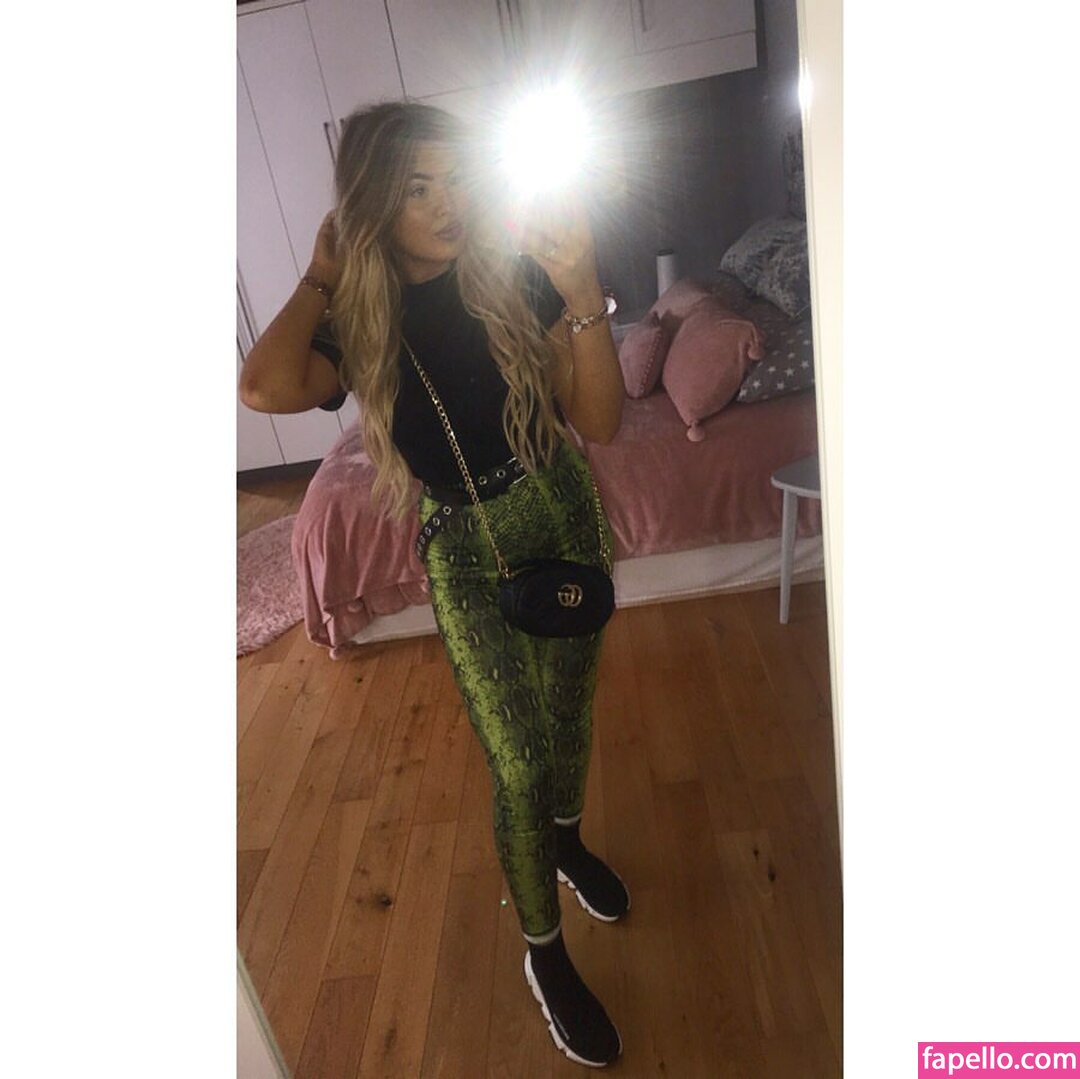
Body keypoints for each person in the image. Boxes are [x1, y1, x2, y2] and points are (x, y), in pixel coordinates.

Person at [239, 101, 628, 1068]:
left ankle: (567, 844)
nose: (447, 203)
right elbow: (264, 386)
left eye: (455, 178)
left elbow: (600, 421)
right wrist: (322, 272)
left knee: (570, 714)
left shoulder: (511, 271)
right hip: (466, 545)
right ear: (374, 204)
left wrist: (582, 290)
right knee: (519, 761)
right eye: (418, 188)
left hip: (561, 507)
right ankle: (545, 954)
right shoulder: (358, 319)